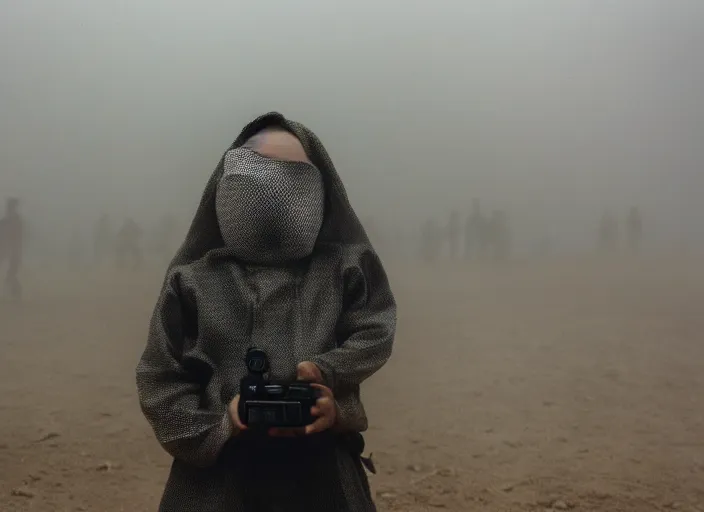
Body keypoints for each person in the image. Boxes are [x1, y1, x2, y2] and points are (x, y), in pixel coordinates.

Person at [136, 112, 397, 512]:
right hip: (215, 486)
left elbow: (374, 330)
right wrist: (221, 424)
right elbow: (160, 378)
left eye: (294, 177)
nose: (274, 191)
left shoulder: (345, 269)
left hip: (324, 477)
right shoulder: (193, 281)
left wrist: (333, 400)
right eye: (259, 172)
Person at [0, 198, 23, 300]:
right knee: (12, 272)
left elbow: (19, 235)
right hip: (6, 248)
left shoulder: (15, 220)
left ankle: (14, 292)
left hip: (13, 249)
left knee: (12, 272)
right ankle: (14, 292)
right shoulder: (6, 221)